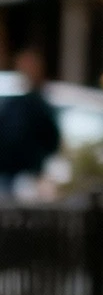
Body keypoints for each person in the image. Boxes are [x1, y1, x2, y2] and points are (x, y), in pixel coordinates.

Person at [0, 46, 61, 192]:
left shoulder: (40, 104)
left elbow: (52, 140)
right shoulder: (12, 102)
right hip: (6, 174)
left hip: (28, 176)